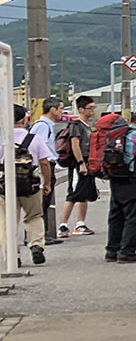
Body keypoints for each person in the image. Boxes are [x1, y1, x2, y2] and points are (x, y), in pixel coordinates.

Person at [96, 107, 136, 264]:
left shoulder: (118, 132)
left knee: (116, 214)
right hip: (133, 179)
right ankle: (127, 252)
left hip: (116, 177)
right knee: (133, 216)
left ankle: (112, 250)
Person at [11, 104, 55, 266]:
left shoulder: (2, 139)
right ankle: (36, 244)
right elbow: (44, 163)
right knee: (34, 216)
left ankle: (12, 255)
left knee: (7, 221)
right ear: (24, 119)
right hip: (31, 185)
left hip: (5, 187)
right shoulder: (33, 139)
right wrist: (47, 183)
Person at [59, 95, 100, 238]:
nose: (92, 110)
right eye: (90, 108)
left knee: (84, 194)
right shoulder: (76, 125)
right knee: (73, 194)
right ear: (81, 109)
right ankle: (63, 225)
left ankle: (80, 223)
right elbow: (74, 144)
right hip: (79, 163)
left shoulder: (87, 126)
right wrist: (81, 163)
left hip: (87, 163)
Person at [31, 98, 61, 245]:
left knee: (45, 202)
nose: (62, 111)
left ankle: (43, 234)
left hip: (47, 164)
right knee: (42, 203)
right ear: (52, 109)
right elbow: (39, 149)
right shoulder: (43, 126)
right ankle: (39, 235)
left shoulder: (46, 125)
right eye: (60, 108)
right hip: (44, 166)